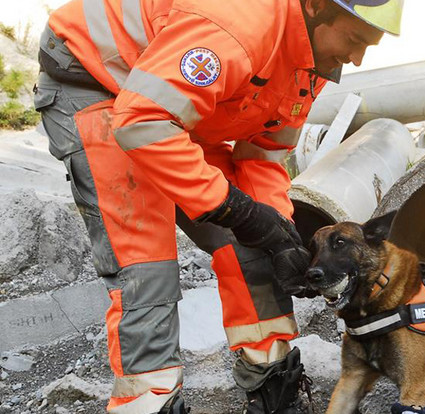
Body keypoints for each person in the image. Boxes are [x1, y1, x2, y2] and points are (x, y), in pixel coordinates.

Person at [33, 0, 402, 412]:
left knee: (256, 245)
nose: (356, 58)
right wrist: (235, 210)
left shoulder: (309, 62)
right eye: (354, 39)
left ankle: (272, 385)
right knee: (147, 264)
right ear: (315, 7)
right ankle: (148, 403)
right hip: (98, 83)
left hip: (170, 109)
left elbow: (262, 154)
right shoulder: (239, 26)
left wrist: (277, 234)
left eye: (368, 45)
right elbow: (142, 123)